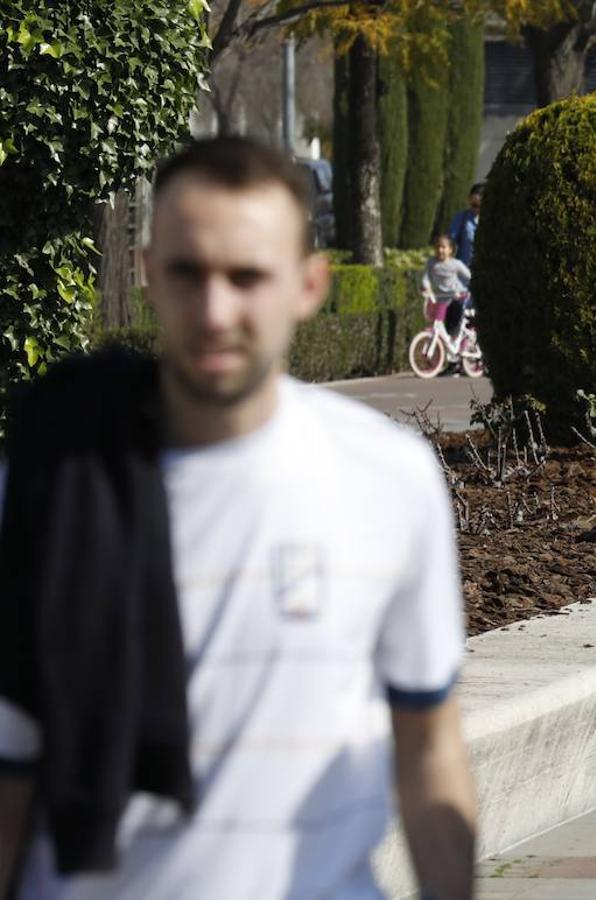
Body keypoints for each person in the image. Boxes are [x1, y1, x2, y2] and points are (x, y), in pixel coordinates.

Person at [0, 137, 476, 898]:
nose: (216, 310)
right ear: (148, 273)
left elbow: (429, 747)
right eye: (188, 273)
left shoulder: (390, 477)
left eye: (246, 277)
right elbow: (11, 771)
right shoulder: (53, 478)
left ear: (308, 284)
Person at [424, 234, 473, 339]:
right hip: (440, 297)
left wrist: (465, 291)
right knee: (436, 319)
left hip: (456, 295)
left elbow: (469, 276)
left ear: (450, 250)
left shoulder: (455, 264)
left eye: (443, 247)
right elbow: (426, 277)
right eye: (437, 247)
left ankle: (456, 339)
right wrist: (425, 286)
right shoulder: (431, 263)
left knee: (454, 320)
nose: (440, 250)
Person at [447, 182, 482, 267]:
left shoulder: (492, 220)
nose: (475, 209)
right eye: (473, 205)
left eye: (478, 206)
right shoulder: (462, 217)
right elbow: (450, 241)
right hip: (462, 270)